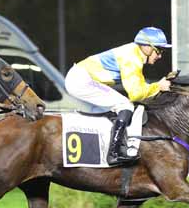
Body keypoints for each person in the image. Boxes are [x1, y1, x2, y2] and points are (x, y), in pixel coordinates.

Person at [64, 26, 174, 165]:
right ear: (146, 47)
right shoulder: (132, 58)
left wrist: (156, 87)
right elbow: (136, 94)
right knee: (125, 105)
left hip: (82, 78)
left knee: (122, 105)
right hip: (81, 80)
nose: (160, 56)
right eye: (159, 50)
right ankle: (113, 153)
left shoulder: (134, 53)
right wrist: (158, 86)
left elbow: (140, 87)